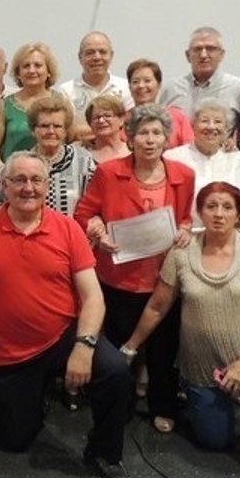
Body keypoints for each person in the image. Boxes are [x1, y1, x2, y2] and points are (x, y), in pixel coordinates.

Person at [0, 151, 134, 478]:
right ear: (4, 185)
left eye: (36, 180)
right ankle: (35, 399)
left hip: (63, 336)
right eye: (19, 180)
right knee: (15, 439)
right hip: (11, 351)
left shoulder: (67, 228)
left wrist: (84, 347)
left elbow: (93, 296)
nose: (28, 187)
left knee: (115, 372)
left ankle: (105, 451)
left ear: (47, 186)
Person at [121, 182, 240, 459]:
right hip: (203, 361)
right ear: (200, 212)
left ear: (239, 214)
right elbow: (157, 307)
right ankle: (210, 396)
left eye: (227, 207)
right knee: (213, 440)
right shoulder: (181, 252)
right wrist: (130, 347)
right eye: (211, 206)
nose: (219, 214)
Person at [74, 104, 195, 434]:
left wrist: (185, 229)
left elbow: (185, 217)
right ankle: (118, 406)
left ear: (167, 138)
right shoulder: (108, 172)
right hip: (118, 275)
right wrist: (97, 229)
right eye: (143, 132)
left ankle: (163, 405)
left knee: (162, 349)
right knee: (116, 349)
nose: (150, 139)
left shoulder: (184, 175)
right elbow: (85, 213)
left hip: (163, 277)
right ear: (129, 136)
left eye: (157, 133)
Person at [0, 96, 96, 216]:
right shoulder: (17, 164)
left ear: (65, 131)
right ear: (33, 130)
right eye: (44, 126)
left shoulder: (84, 161)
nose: (51, 131)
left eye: (57, 126)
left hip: (72, 227)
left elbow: (95, 205)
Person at [164, 99, 240, 229]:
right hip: (185, 234)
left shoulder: (238, 159)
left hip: (226, 234)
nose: (211, 127)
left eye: (218, 122)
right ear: (193, 126)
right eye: (204, 121)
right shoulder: (173, 158)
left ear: (226, 129)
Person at [0, 42, 57, 173]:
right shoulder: (5, 104)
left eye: (38, 65)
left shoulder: (60, 101)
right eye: (26, 66)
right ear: (18, 73)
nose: (31, 70)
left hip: (52, 176)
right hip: (14, 178)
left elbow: (74, 139)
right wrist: (0, 168)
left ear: (49, 71)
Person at [160, 27, 240, 121]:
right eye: (197, 49)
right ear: (187, 55)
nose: (203, 55)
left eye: (210, 49)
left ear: (221, 54)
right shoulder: (171, 89)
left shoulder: (238, 88)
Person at [55, 32, 135, 127]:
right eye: (90, 53)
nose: (97, 57)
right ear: (80, 57)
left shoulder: (127, 88)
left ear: (111, 56)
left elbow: (130, 125)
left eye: (102, 52)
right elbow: (67, 129)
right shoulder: (65, 92)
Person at [126, 59, 194, 149]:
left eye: (147, 81)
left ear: (159, 85)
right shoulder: (121, 119)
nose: (141, 85)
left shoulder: (177, 117)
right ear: (129, 87)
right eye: (135, 82)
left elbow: (190, 150)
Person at [82, 95, 131, 164]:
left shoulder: (134, 150)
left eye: (107, 116)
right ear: (90, 124)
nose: (101, 121)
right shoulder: (82, 157)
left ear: (121, 120)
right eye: (96, 117)